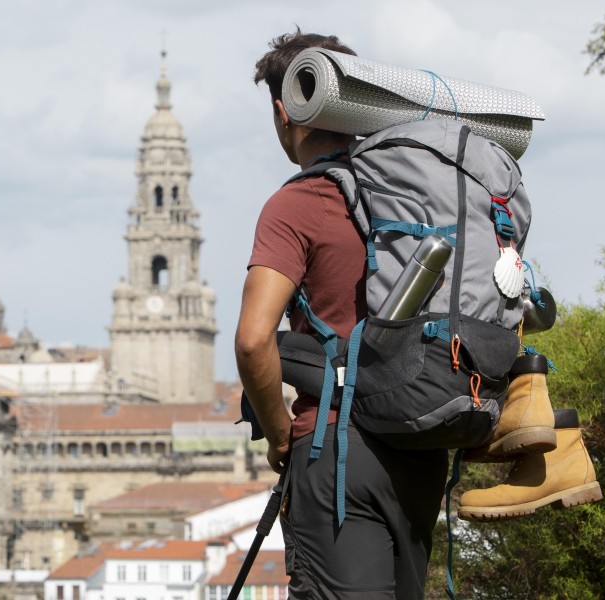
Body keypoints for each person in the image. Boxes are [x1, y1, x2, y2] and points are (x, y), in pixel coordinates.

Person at [235, 30, 448, 599]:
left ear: (284, 111)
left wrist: (279, 436)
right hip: (419, 451)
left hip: (337, 453)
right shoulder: (410, 194)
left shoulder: (298, 203)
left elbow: (254, 340)